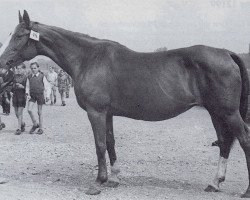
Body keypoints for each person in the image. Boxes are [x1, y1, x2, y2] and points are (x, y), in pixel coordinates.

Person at [26, 62, 51, 135]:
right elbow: (27, 87)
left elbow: (47, 87)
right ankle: (35, 124)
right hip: (32, 96)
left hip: (40, 95)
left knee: (39, 112)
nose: (33, 70)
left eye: (35, 68)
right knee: (29, 110)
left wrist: (47, 96)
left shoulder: (42, 76)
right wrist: (27, 94)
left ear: (38, 68)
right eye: (32, 68)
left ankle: (41, 128)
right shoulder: (29, 77)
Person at [12, 63, 27, 135]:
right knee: (16, 113)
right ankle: (22, 123)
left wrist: (22, 86)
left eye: (20, 68)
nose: (19, 70)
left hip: (22, 95)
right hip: (15, 95)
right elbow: (12, 85)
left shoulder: (26, 77)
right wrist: (14, 85)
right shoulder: (14, 76)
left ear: (23, 69)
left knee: (19, 112)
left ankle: (19, 128)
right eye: (17, 68)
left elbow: (28, 88)